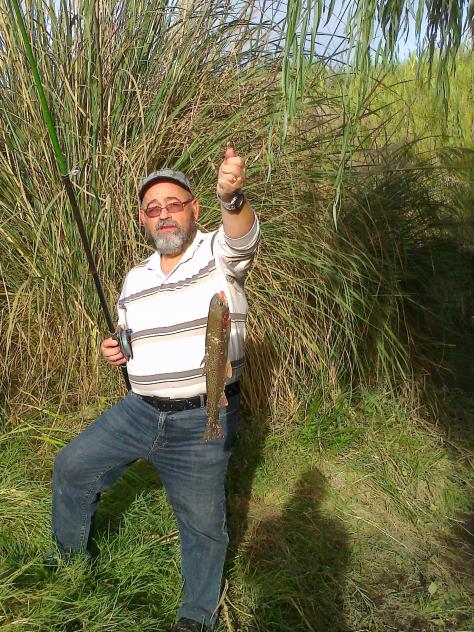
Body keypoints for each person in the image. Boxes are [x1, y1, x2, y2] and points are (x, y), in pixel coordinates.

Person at [50, 148, 260, 632]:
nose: (164, 214)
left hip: (203, 412)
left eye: (174, 203)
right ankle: (67, 564)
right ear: (145, 220)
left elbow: (243, 236)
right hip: (138, 411)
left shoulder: (217, 253)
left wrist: (232, 197)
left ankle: (196, 615)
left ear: (194, 209)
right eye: (153, 208)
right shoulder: (134, 278)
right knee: (72, 466)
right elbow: (128, 335)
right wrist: (116, 348)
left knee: (203, 524)